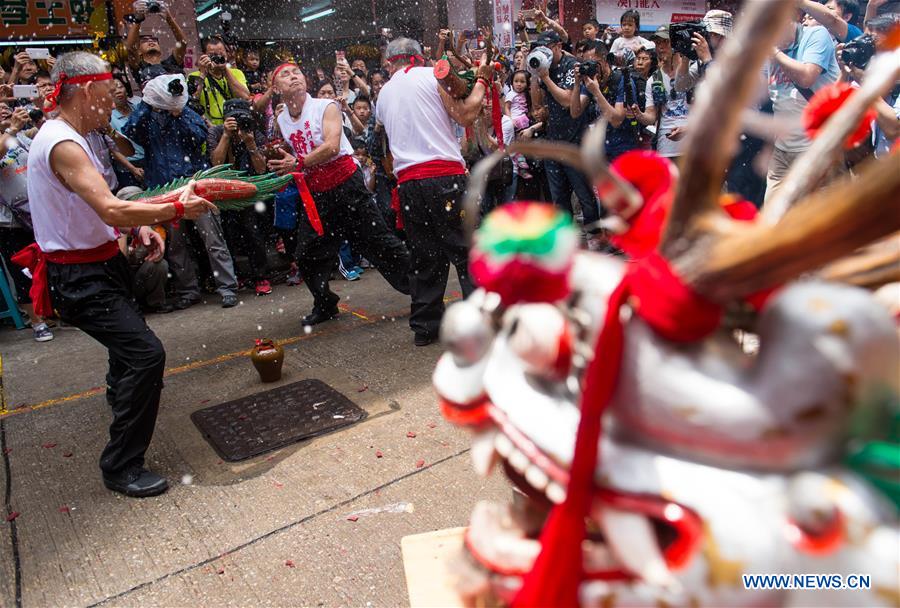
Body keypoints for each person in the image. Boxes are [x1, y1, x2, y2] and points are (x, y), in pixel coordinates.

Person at [18, 51, 214, 497]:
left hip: (102, 264)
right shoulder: (62, 142)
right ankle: (121, 464)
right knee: (146, 355)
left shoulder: (80, 135)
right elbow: (109, 206)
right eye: (108, 97)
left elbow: (99, 208)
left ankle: (123, 403)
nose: (112, 106)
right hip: (79, 277)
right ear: (86, 91)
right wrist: (177, 208)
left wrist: (143, 224)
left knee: (127, 354)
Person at [266, 62, 411, 327]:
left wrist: (298, 163)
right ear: (276, 88)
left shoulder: (325, 107)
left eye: (296, 72)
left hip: (347, 186)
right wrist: (285, 162)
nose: (293, 77)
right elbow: (297, 153)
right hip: (318, 194)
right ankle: (325, 303)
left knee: (381, 244)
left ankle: (423, 290)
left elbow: (332, 146)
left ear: (305, 79)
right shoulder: (282, 119)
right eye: (285, 75)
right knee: (306, 256)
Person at [375, 38, 491, 346]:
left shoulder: (383, 93)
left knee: (425, 258)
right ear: (419, 56)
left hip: (409, 185)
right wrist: (481, 80)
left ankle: (426, 327)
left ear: (390, 64)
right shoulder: (431, 75)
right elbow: (466, 115)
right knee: (468, 252)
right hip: (444, 177)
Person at [123, 68, 240, 308]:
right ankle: (189, 291)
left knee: (213, 239)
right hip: (162, 188)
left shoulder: (186, 111)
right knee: (176, 245)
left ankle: (227, 287)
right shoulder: (144, 117)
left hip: (192, 184)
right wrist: (149, 103)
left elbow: (199, 136)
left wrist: (178, 111)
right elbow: (131, 132)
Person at [763, 12, 839, 203]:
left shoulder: (816, 34)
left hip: (815, 149)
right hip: (782, 151)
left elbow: (806, 77)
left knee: (817, 220)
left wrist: (775, 53)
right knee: (772, 216)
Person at [530, 30, 602, 228]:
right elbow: (536, 107)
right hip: (553, 140)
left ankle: (595, 238)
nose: (543, 53)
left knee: (584, 195)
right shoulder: (543, 69)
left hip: (575, 140)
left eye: (548, 48)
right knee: (558, 198)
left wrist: (545, 79)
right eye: (540, 49)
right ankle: (565, 242)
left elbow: (567, 101)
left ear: (558, 46)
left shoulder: (572, 66)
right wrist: (534, 77)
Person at [208, 99, 272, 296]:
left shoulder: (254, 133)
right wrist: (226, 136)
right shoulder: (217, 132)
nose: (238, 122)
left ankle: (261, 276)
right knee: (228, 235)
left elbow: (262, 169)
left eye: (241, 117)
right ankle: (236, 276)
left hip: (249, 190)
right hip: (224, 191)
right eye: (233, 118)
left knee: (253, 233)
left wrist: (250, 143)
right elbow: (216, 164)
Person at [0, 107, 54, 342]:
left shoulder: (21, 136)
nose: (3, 110)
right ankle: (37, 321)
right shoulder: (11, 134)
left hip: (39, 212)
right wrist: (11, 128)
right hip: (9, 221)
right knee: (22, 270)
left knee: (49, 262)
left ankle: (52, 311)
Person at [630, 26, 692, 161]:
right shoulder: (654, 79)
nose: (661, 47)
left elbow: (707, 111)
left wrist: (687, 128)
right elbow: (651, 117)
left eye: (666, 42)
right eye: (658, 43)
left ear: (676, 43)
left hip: (693, 148)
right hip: (665, 149)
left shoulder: (692, 71)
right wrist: (638, 114)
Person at [570, 40, 638, 161]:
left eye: (594, 63)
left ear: (605, 60)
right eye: (587, 63)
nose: (591, 68)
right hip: (599, 152)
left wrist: (596, 92)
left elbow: (616, 120)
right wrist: (576, 84)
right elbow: (575, 112)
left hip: (622, 151)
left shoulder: (622, 80)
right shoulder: (589, 82)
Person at [188, 35, 251, 125]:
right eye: (212, 55)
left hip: (235, 126)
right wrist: (203, 74)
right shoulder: (194, 76)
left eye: (221, 54)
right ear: (204, 55)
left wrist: (225, 70)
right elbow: (192, 101)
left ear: (226, 53)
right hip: (209, 129)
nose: (218, 58)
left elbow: (245, 97)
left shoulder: (236, 73)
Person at [124, 0, 187, 82]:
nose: (151, 41)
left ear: (160, 48)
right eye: (145, 41)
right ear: (139, 51)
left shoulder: (172, 63)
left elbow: (183, 42)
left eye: (154, 40)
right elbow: (130, 48)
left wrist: (169, 18)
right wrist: (138, 20)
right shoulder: (140, 68)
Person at [109, 76, 145, 188]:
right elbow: (113, 148)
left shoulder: (138, 106)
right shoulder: (109, 116)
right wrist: (132, 168)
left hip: (148, 160)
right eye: (113, 89)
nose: (118, 91)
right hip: (127, 167)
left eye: (120, 87)